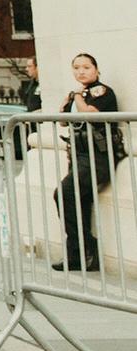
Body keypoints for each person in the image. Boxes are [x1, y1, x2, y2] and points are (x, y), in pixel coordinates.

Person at [52, 53, 122, 272]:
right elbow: (64, 123)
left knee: (63, 193)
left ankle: (87, 247)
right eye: (76, 68)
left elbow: (90, 115)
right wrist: (66, 103)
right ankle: (78, 255)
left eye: (86, 67)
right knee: (77, 201)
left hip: (97, 156)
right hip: (79, 154)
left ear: (96, 70)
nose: (81, 72)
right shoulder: (79, 94)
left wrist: (78, 98)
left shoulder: (102, 92)